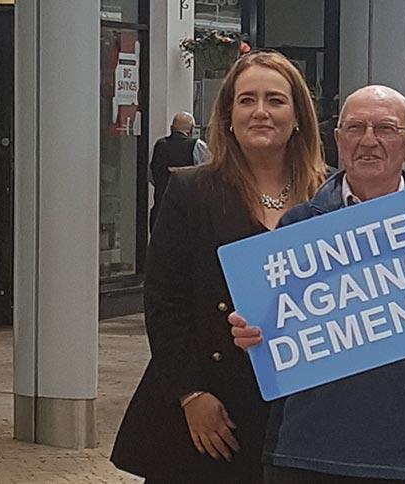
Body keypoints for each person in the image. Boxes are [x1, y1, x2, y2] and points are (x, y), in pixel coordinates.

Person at [228, 85, 405, 484]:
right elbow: (269, 347)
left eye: (386, 129)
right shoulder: (298, 227)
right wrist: (250, 332)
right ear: (338, 140)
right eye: (356, 127)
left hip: (404, 457)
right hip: (301, 455)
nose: (369, 140)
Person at [111, 51, 327, 483]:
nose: (260, 112)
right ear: (228, 115)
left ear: (298, 115)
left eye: (275, 100)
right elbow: (164, 302)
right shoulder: (191, 191)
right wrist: (191, 394)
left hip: (301, 413)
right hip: (209, 412)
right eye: (247, 100)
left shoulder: (330, 195)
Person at [149, 112, 210, 231]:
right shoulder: (197, 146)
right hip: (189, 213)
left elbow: (151, 175)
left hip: (160, 211)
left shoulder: (158, 145)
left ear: (171, 128)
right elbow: (209, 174)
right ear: (191, 130)